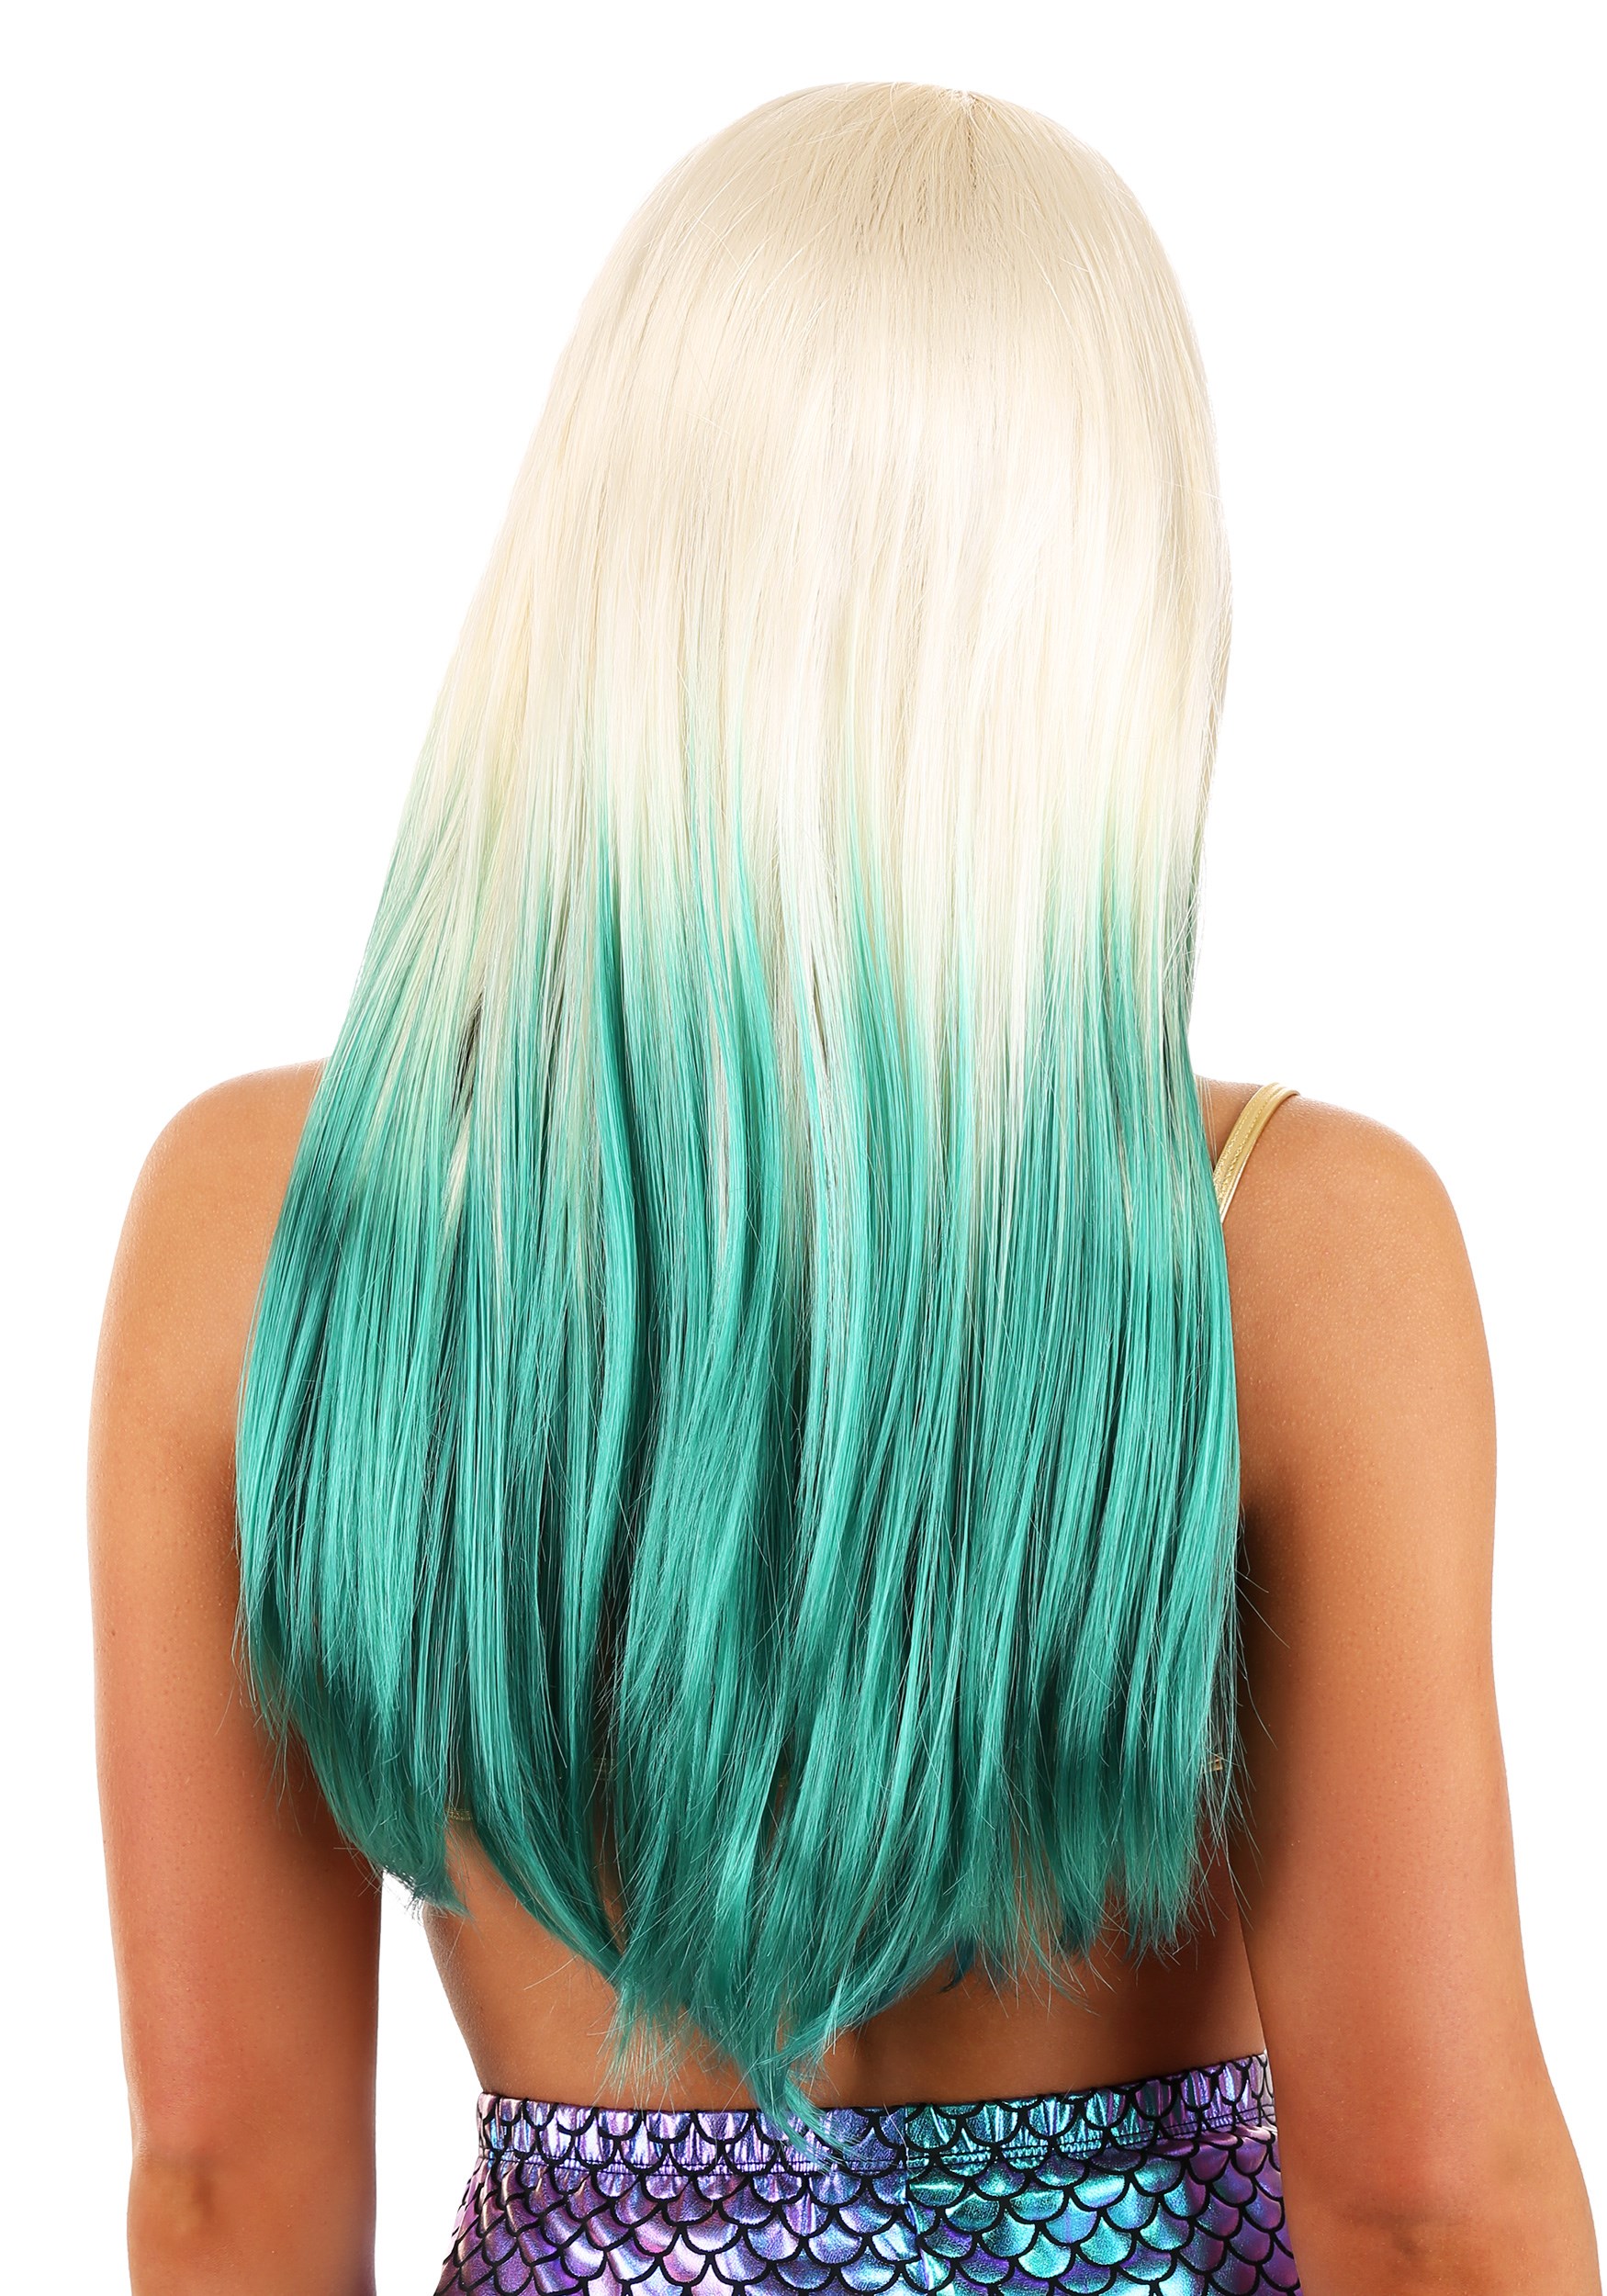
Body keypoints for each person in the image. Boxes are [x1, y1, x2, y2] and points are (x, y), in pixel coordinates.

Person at [89, 82, 1598, 2296]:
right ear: (1099, 614)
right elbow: (1423, 2201)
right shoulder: (1295, 1247)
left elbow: (230, 2182)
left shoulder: (256, 1225)